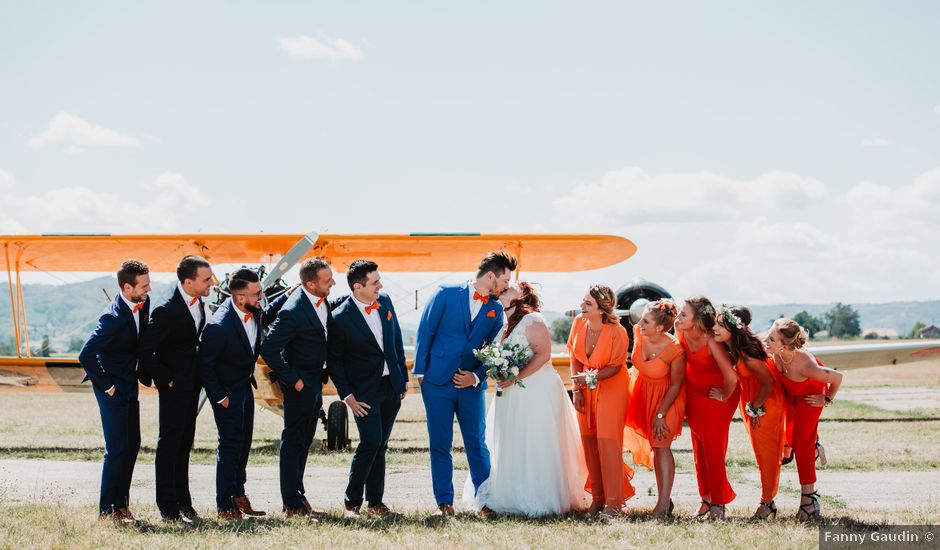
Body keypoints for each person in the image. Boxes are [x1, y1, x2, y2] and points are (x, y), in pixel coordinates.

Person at [462, 282, 590, 517]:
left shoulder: (534, 320)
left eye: (509, 287)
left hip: (536, 390)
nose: (503, 288)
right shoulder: (503, 324)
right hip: (510, 392)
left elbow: (543, 355)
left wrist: (516, 376)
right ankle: (506, 494)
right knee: (511, 438)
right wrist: (499, 371)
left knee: (535, 438)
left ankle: (539, 496)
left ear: (522, 295)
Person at [412, 251, 516, 517]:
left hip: (471, 387)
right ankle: (444, 504)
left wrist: (477, 376)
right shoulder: (445, 293)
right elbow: (426, 331)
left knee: (476, 443)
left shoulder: (496, 311)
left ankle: (485, 502)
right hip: (436, 383)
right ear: (491, 276)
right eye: (505, 280)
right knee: (440, 443)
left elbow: (494, 349)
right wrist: (421, 373)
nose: (506, 285)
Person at [198, 268, 290, 520]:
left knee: (244, 444)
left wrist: (288, 294)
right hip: (227, 394)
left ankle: (238, 494)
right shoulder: (219, 326)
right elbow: (205, 365)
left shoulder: (253, 312)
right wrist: (220, 397)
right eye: (257, 293)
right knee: (229, 447)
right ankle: (224, 504)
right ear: (240, 298)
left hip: (244, 389)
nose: (261, 297)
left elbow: (267, 315)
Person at [328, 260, 409, 519]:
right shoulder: (339, 319)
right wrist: (348, 396)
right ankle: (351, 503)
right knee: (371, 442)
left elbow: (395, 339)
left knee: (381, 444)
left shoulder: (384, 301)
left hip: (391, 387)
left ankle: (376, 502)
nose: (380, 286)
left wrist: (402, 379)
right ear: (358, 286)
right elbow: (335, 362)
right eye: (375, 282)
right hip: (363, 392)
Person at [260, 257, 336, 520]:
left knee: (304, 442)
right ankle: (291, 504)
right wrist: (294, 379)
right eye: (328, 281)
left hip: (315, 383)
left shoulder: (320, 300)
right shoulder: (292, 310)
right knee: (293, 442)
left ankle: (298, 497)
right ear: (311, 284)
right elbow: (268, 348)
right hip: (300, 386)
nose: (333, 283)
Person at [138, 255, 213, 522]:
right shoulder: (166, 307)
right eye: (206, 279)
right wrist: (166, 380)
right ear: (188, 281)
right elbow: (146, 351)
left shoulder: (198, 300)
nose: (211, 283)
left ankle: (185, 504)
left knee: (184, 445)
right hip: (173, 388)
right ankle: (168, 508)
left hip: (192, 385)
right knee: (170, 446)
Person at [79, 259, 151, 524]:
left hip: (129, 386)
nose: (148, 289)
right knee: (117, 448)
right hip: (111, 389)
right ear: (127, 287)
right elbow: (85, 354)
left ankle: (121, 506)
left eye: (149, 283)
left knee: (132, 445)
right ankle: (106, 511)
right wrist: (108, 386)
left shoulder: (144, 304)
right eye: (143, 285)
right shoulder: (112, 317)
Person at [569, 284, 636, 519]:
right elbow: (575, 357)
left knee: (608, 443)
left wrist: (590, 378)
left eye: (588, 304)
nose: (582, 306)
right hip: (585, 388)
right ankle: (598, 498)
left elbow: (615, 366)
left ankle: (614, 503)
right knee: (589, 441)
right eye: (583, 301)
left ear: (602, 308)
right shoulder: (578, 323)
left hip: (611, 387)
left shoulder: (618, 331)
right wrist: (577, 389)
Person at [766, 318, 843, 521]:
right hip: (791, 395)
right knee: (787, 441)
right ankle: (814, 443)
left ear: (784, 345)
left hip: (811, 398)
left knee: (802, 446)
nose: (766, 340)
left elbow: (838, 377)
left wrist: (825, 399)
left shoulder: (805, 364)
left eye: (772, 338)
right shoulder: (775, 352)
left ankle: (808, 501)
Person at [713, 305, 785, 520]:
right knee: (761, 453)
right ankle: (767, 500)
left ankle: (767, 503)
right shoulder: (733, 346)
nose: (714, 328)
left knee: (767, 455)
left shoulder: (746, 352)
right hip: (754, 401)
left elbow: (768, 383)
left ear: (733, 329)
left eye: (720, 324)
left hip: (765, 404)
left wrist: (755, 408)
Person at [675, 296, 739, 520]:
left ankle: (719, 504)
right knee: (699, 448)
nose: (678, 316)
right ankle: (706, 499)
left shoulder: (711, 340)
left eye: (684, 314)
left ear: (698, 320)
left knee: (712, 447)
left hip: (718, 395)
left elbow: (732, 376)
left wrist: (723, 395)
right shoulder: (681, 332)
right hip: (694, 394)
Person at [624, 299, 685, 518]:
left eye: (646, 320)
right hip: (643, 395)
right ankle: (664, 501)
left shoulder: (675, 349)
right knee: (654, 448)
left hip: (667, 400)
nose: (640, 323)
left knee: (662, 446)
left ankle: (662, 506)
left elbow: (677, 384)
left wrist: (661, 413)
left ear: (659, 328)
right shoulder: (639, 333)